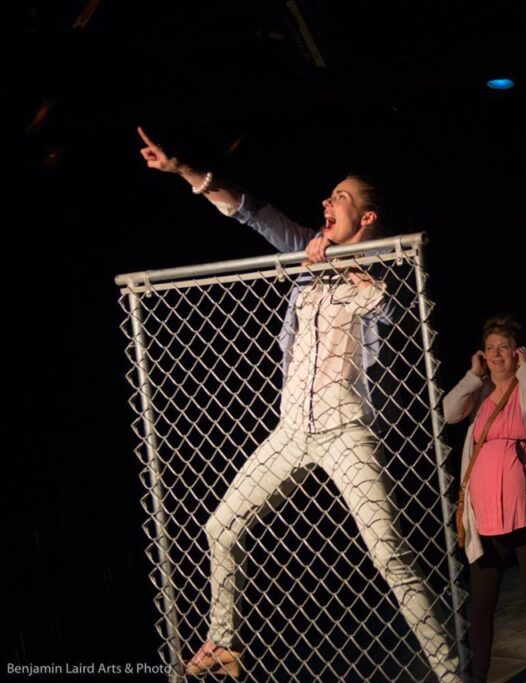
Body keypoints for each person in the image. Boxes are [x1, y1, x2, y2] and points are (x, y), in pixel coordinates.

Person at [138, 127, 458, 681]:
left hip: (345, 428)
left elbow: (400, 319)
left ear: (367, 219)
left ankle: (450, 671)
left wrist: (343, 268)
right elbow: (252, 211)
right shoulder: (306, 247)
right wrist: (184, 171)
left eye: (340, 198)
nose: (326, 204)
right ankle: (224, 641)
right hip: (292, 427)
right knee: (221, 527)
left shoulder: (388, 266)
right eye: (328, 197)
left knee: (389, 556)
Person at [441, 316, 526, 683]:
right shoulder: (477, 392)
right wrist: (472, 375)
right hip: (485, 517)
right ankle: (478, 675)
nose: (497, 354)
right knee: (482, 606)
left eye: (504, 347)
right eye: (491, 347)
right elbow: (449, 413)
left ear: (517, 352)